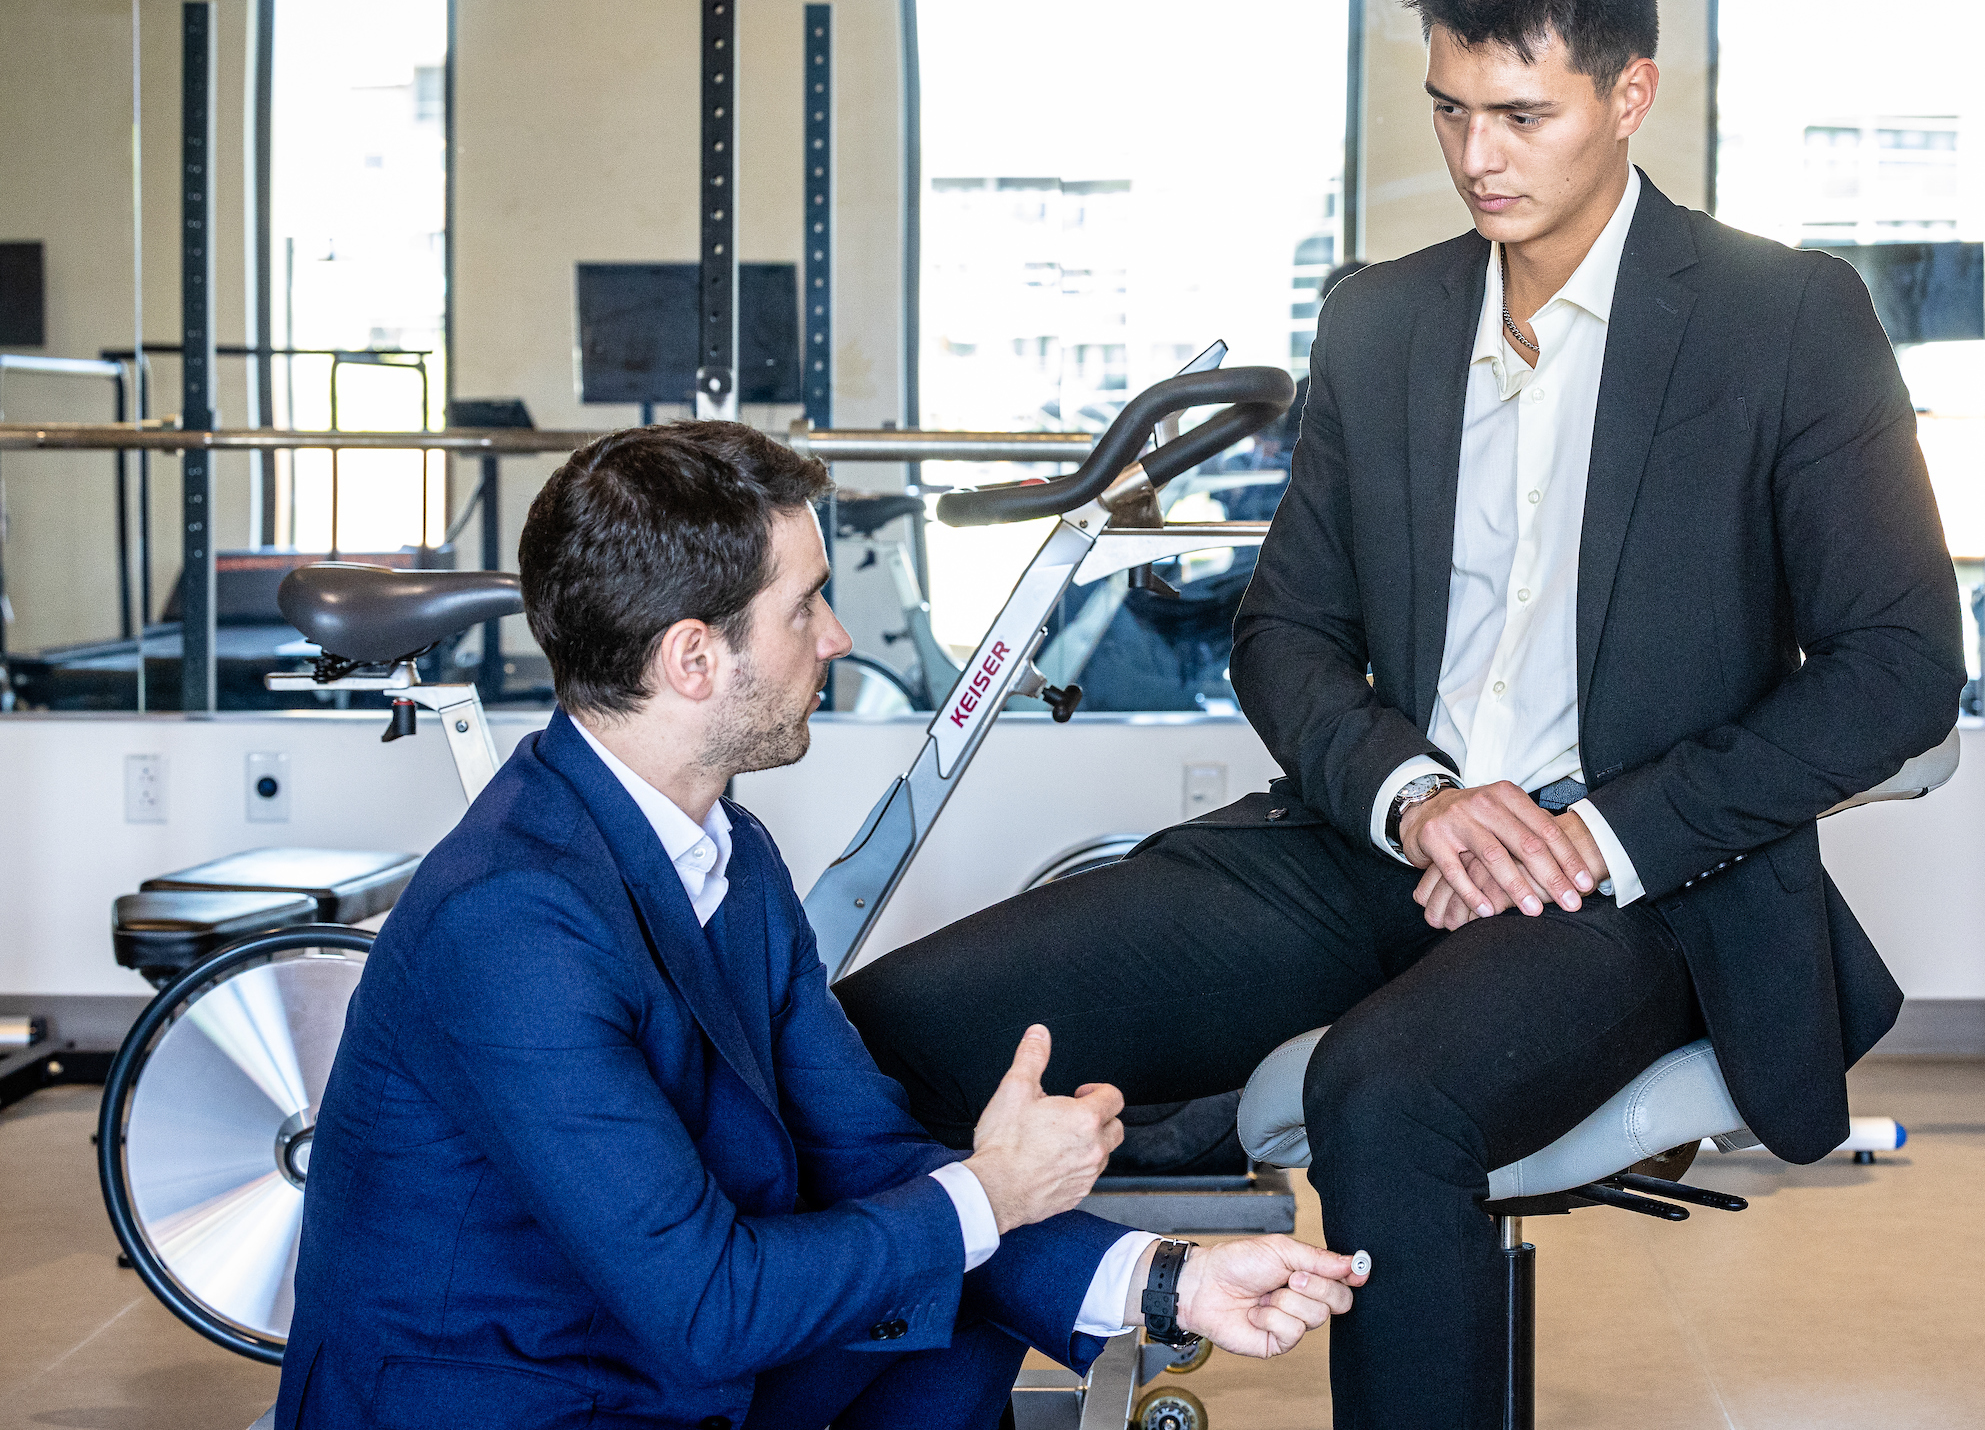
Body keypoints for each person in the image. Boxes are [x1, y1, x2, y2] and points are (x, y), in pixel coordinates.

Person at [837, 0, 1966, 1429]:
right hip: (1376, 842)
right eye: (1450, 112)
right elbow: (1284, 630)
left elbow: (1898, 665)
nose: (1478, 157)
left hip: (1643, 883)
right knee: (898, 1026)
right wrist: (1422, 799)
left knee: (1390, 1096)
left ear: (1629, 96)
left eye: (1521, 113)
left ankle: (1196, 1121)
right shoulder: (1381, 321)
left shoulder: (1785, 318)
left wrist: (1591, 836)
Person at [276, 419, 1366, 1430]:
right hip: (518, 1393)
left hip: (648, 1355)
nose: (838, 637)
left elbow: (870, 1154)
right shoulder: (510, 925)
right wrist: (990, 1188)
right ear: (692, 658)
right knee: (941, 1250)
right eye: (805, 606)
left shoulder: (727, 855)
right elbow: (709, 1305)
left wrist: (1164, 1279)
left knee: (952, 1297)